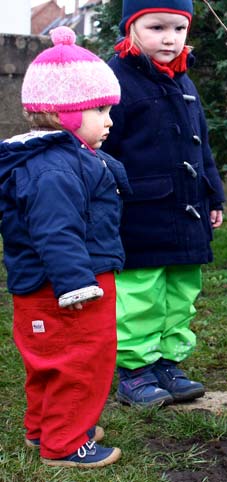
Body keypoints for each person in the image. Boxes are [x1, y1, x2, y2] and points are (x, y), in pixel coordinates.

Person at [0, 26, 128, 467]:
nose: (109, 119)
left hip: (50, 286)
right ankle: (66, 442)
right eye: (99, 109)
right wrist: (75, 284)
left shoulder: (61, 159)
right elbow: (56, 230)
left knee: (48, 362)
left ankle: (44, 428)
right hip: (69, 288)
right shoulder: (54, 169)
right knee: (80, 363)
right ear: (65, 114)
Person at [102, 0, 226, 407]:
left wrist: (213, 194)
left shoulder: (184, 82)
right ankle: (135, 369)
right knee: (141, 293)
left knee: (181, 291)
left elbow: (201, 144)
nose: (170, 39)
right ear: (131, 27)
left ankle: (169, 362)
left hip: (187, 210)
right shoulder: (116, 80)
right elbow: (104, 147)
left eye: (178, 29)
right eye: (156, 28)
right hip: (140, 211)